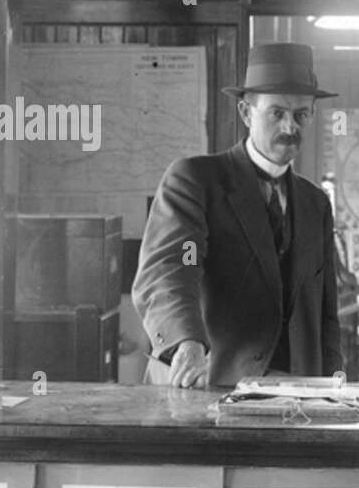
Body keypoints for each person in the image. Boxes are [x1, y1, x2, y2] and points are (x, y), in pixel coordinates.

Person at [133, 43, 344, 387]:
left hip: (298, 401)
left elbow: (326, 316)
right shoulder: (194, 179)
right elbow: (169, 268)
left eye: (301, 114)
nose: (290, 127)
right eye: (277, 113)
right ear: (246, 113)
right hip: (206, 388)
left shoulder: (315, 203)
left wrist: (336, 386)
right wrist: (186, 342)